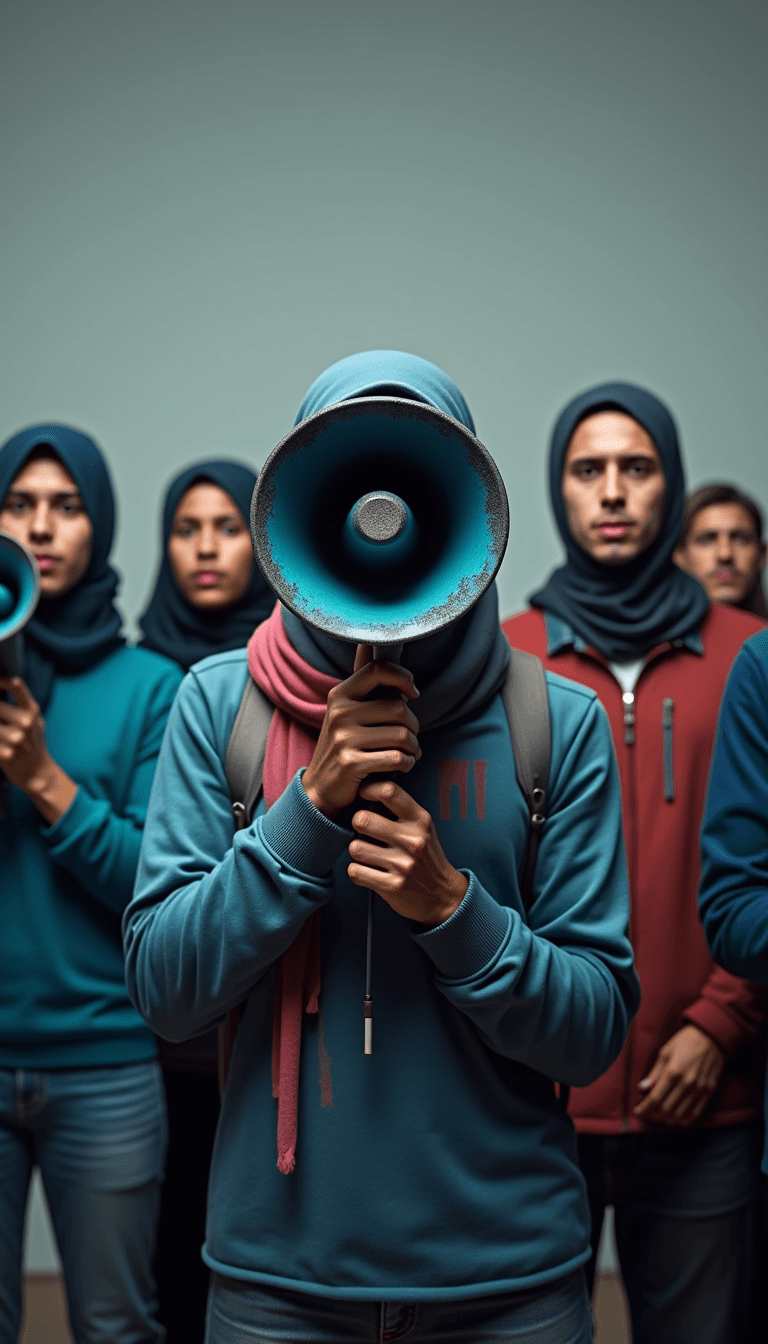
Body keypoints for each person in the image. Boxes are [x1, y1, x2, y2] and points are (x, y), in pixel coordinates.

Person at [123, 350, 639, 1344]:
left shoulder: (554, 723)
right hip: (278, 1285)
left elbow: (594, 1031)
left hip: (509, 1284)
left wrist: (455, 910)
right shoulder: (217, 705)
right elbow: (165, 990)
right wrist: (305, 815)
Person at [503, 382, 767, 1344]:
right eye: (588, 471)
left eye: (636, 468)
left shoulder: (752, 655)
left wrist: (721, 1024)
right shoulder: (503, 658)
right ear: (557, 492)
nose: (612, 492)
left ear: (672, 485)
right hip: (535, 1109)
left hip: (710, 1097)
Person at [0, 426, 183, 1344]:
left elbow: (154, 884)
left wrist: (43, 779)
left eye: (66, 507)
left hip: (106, 1062)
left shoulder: (153, 686)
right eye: (20, 504)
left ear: (98, 525)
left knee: (115, 1327)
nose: (41, 526)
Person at [138, 460, 275, 1344]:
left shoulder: (304, 668)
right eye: (187, 529)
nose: (207, 548)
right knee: (168, 1249)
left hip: (270, 1027)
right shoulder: (152, 679)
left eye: (227, 525)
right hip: (162, 1033)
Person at [674, 482, 768, 618]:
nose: (725, 554)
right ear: (679, 556)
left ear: (762, 554)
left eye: (740, 539)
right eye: (707, 539)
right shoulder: (652, 636)